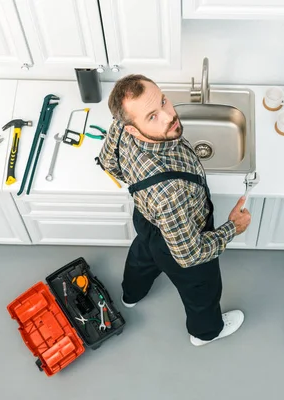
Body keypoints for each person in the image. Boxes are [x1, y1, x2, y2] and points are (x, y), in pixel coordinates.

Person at [98, 74, 252, 347]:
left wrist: (146, 195)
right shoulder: (170, 193)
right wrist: (233, 228)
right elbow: (190, 255)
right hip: (182, 242)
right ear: (133, 128)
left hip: (146, 220)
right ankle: (206, 333)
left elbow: (109, 162)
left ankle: (131, 295)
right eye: (153, 117)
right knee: (202, 289)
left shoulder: (122, 124)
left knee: (141, 256)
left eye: (164, 102)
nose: (169, 116)